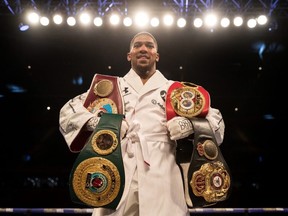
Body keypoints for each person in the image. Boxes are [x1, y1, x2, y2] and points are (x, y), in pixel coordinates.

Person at [59, 31, 225, 216]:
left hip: (164, 171)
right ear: (129, 55)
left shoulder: (176, 90)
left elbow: (215, 119)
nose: (143, 49)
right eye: (137, 45)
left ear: (157, 55)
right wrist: (102, 123)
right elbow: (68, 111)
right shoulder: (111, 88)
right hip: (117, 167)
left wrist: (189, 125)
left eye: (149, 45)